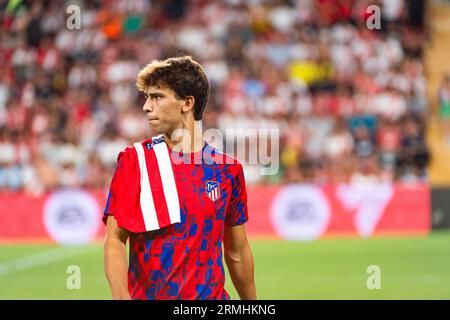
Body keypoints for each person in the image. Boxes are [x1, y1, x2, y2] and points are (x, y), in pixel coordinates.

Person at [103, 56, 257, 300]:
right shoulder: (136, 161)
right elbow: (115, 238)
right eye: (146, 98)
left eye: (157, 97)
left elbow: (236, 252)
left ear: (187, 103)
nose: (146, 106)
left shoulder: (228, 170)